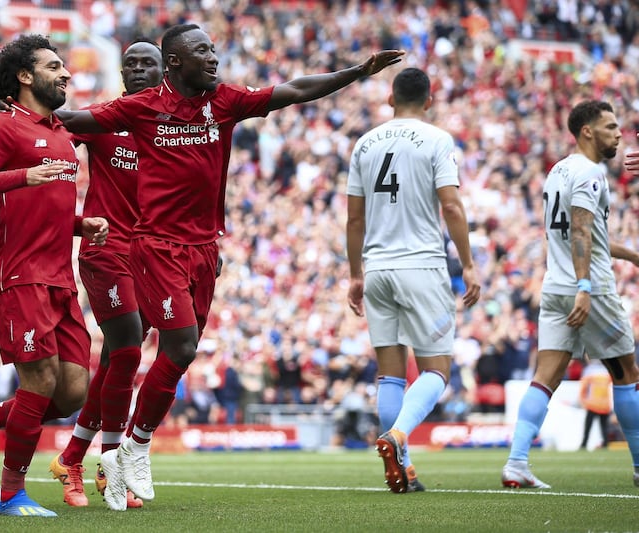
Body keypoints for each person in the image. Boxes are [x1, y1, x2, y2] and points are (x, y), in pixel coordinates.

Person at [51, 23, 404, 508]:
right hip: (155, 245)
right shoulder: (139, 108)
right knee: (169, 345)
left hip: (204, 249)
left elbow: (296, 90)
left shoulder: (225, 102)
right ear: (175, 62)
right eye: (203, 52)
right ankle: (131, 447)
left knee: (178, 353)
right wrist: (21, 108)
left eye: (213, 49)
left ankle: (123, 448)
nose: (214, 58)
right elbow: (72, 120)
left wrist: (359, 71)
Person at [0, 34, 109, 517]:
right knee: (38, 381)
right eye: (54, 66)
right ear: (25, 76)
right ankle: (10, 494)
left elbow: (47, 209)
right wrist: (22, 175)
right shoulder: (0, 128)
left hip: (60, 279)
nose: (66, 74)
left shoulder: (61, 133)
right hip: (19, 276)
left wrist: (82, 225)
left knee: (69, 394)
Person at [345, 67, 481, 493]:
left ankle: (403, 468)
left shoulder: (364, 144)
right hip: (421, 265)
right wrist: (469, 264)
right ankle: (398, 437)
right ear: (430, 100)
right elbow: (453, 208)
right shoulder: (438, 140)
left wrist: (355, 274)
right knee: (437, 369)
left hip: (378, 268)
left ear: (390, 99)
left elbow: (354, 217)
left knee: (390, 375)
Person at [46, 38, 164, 510]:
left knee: (119, 356)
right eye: (130, 64)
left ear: (164, 71)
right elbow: (53, 132)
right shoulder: (104, 119)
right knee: (130, 350)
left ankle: (73, 457)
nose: (137, 70)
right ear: (122, 73)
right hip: (106, 248)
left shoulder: (177, 127)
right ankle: (111, 463)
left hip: (156, 256)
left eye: (146, 63)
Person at [501, 100, 639, 490]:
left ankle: (516, 463)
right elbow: (579, 231)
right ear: (587, 132)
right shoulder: (590, 173)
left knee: (546, 377)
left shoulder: (557, 170)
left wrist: (631, 256)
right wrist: (584, 287)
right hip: (588, 288)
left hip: (555, 285)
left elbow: (584, 234)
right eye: (611, 127)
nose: (619, 134)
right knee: (627, 374)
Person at [578, 358, 612, 450]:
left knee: (588, 427)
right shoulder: (607, 370)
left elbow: (583, 388)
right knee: (604, 427)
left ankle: (584, 444)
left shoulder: (589, 371)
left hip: (592, 403)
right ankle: (605, 444)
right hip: (605, 404)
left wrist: (582, 400)